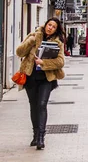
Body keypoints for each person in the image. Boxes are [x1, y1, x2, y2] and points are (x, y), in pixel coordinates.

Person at [15, 18, 66, 150]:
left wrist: (44, 63)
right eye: (49, 25)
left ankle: (41, 138)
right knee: (33, 106)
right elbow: (19, 52)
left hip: (46, 78)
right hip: (30, 77)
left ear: (56, 29)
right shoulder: (33, 36)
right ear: (45, 25)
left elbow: (60, 62)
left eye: (54, 27)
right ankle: (35, 135)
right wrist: (31, 42)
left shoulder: (57, 43)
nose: (50, 28)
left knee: (42, 105)